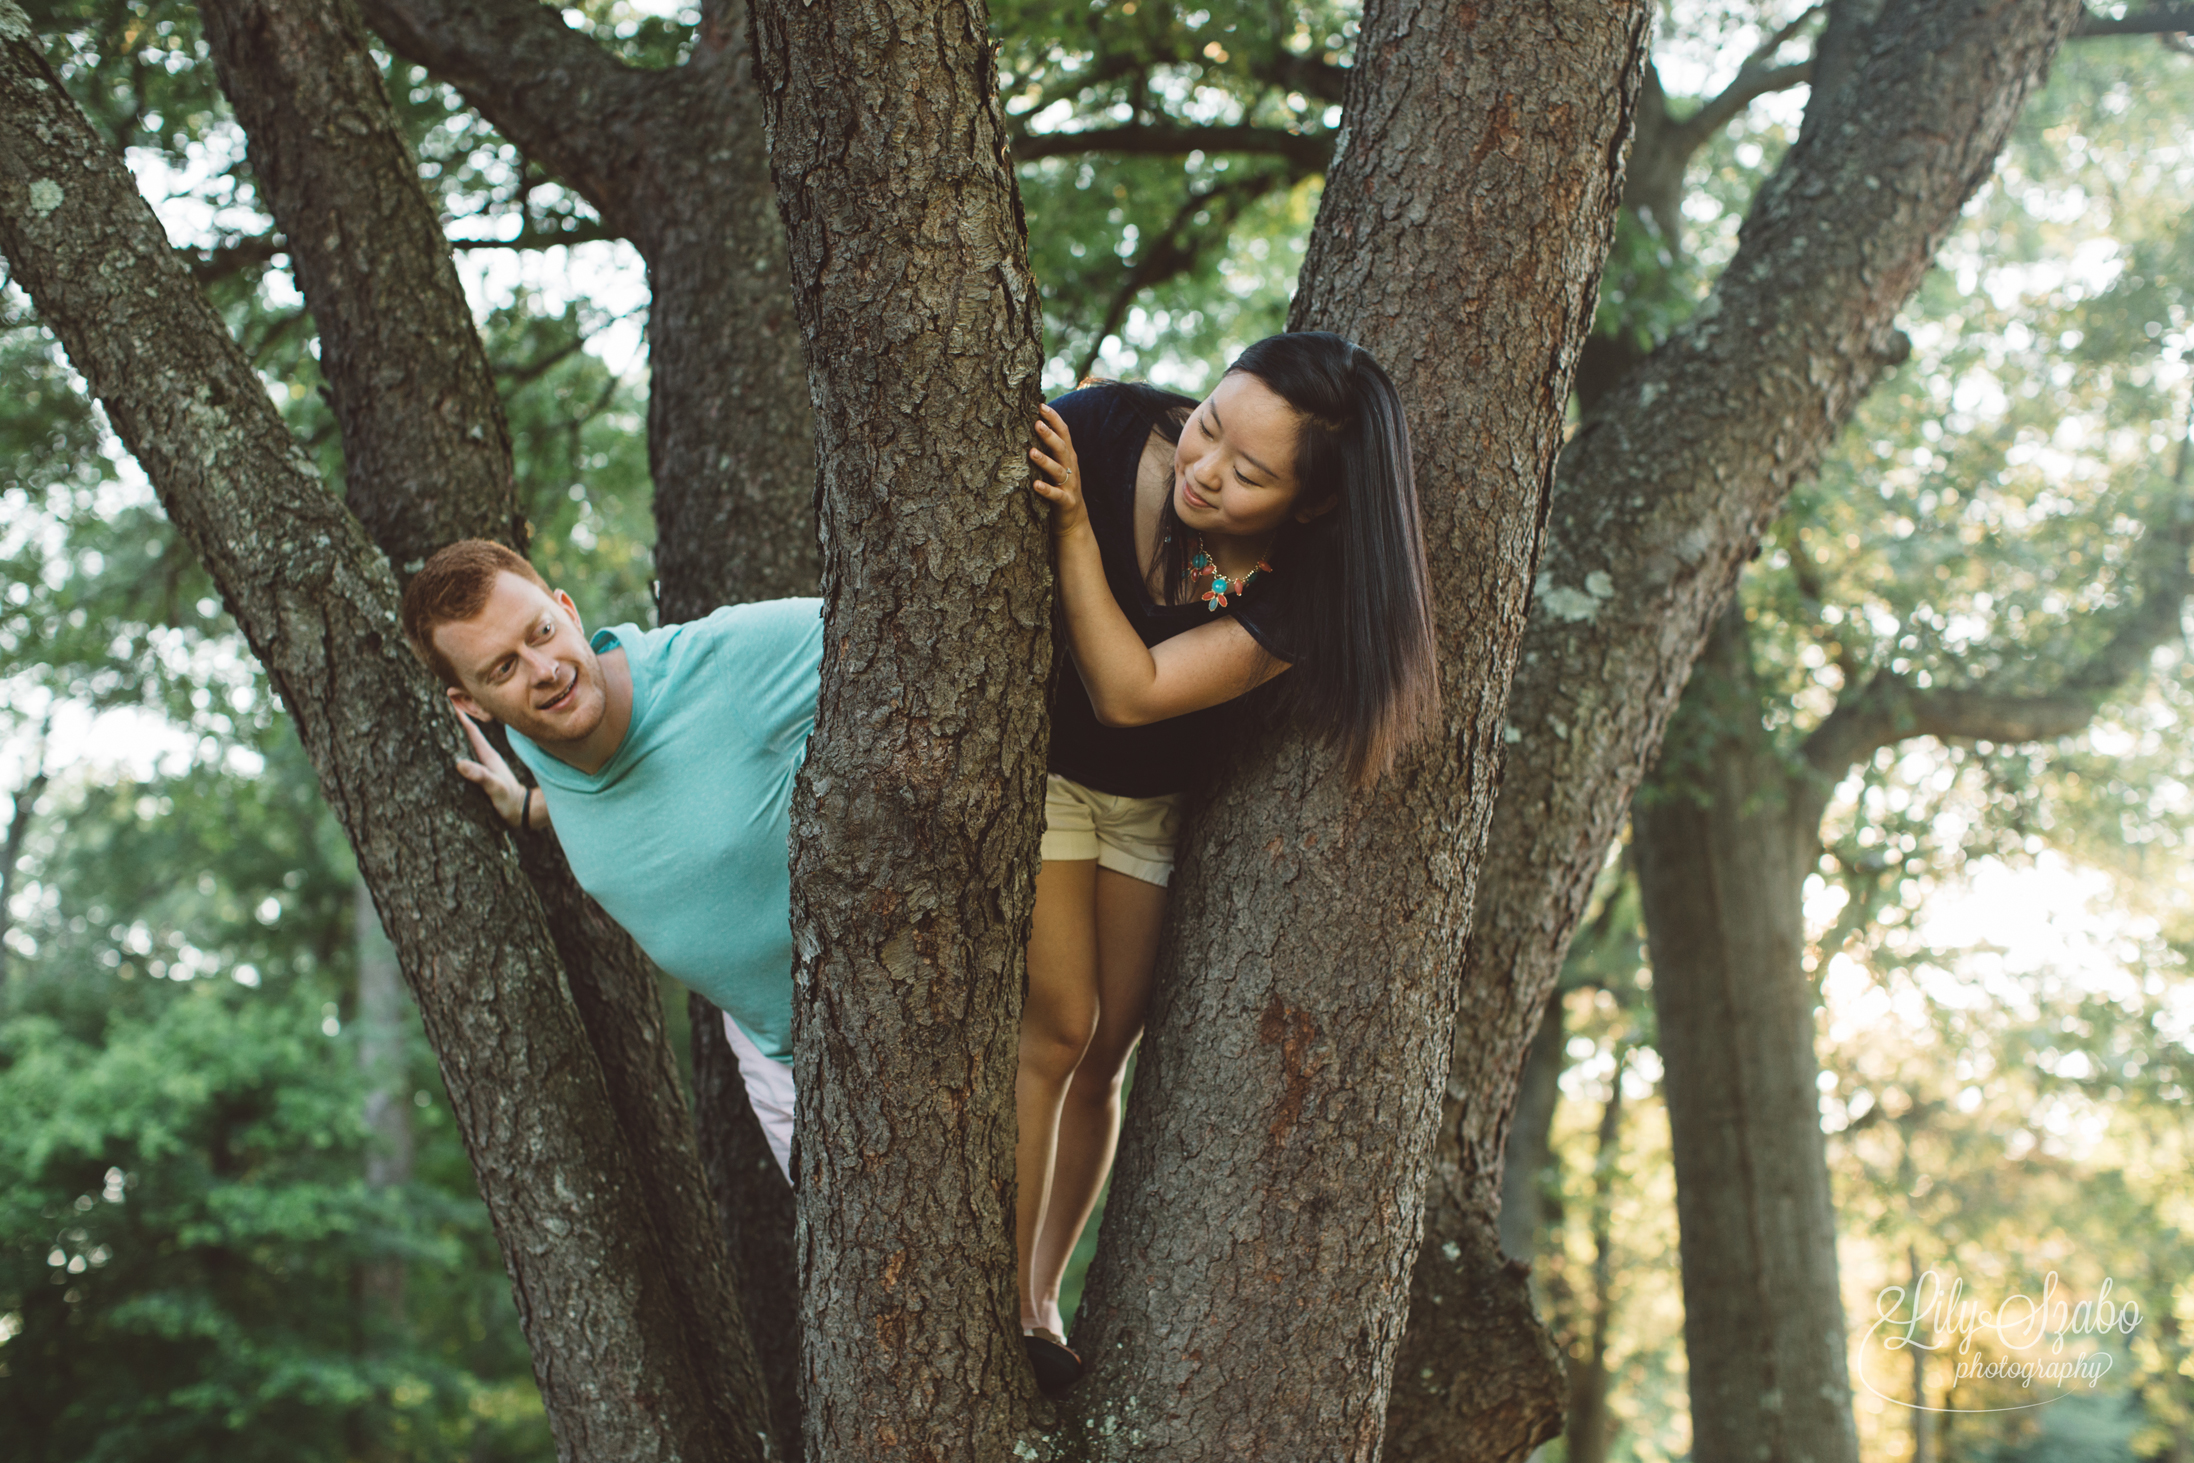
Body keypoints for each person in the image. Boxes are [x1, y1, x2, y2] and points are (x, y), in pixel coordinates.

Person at [1014, 330, 1439, 1395]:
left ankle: (1039, 1292)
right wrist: (1075, 513)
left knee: (1108, 1047)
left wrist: (1071, 538)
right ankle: (998, 1298)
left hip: (1149, 803)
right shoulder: (1105, 432)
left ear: (1312, 504)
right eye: (1206, 425)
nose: (1203, 468)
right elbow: (1088, 701)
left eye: (1246, 474)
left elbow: (1136, 689)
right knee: (1058, 1021)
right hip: (1045, 776)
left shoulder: (1300, 588)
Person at [398, 539, 821, 1182]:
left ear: (566, 610)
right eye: (503, 668)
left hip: (912, 994)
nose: (543, 670)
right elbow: (615, 796)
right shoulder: (538, 741)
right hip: (781, 1068)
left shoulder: (725, 661)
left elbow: (911, 619)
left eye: (542, 632)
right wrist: (525, 806)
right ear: (473, 704)